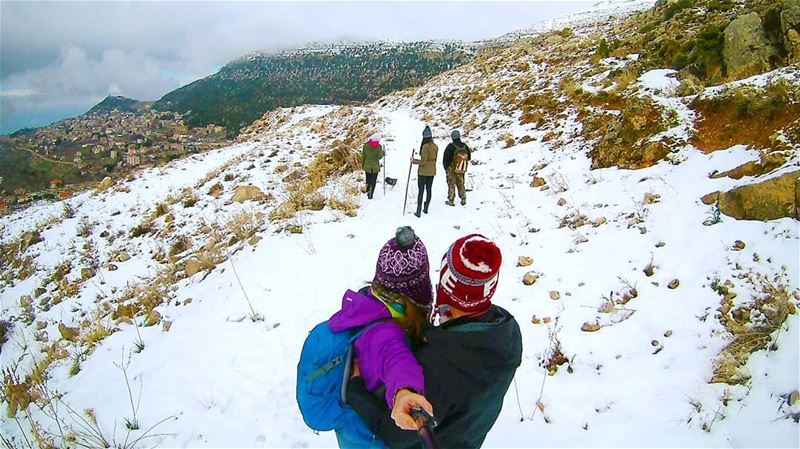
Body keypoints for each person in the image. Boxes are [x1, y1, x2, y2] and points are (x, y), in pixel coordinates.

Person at [346, 234, 523, 449]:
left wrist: (355, 391)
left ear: (445, 292)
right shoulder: (507, 332)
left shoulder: (439, 365)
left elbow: (395, 433)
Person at [328, 226, 434, 448]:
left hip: (353, 429)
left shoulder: (369, 303)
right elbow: (394, 358)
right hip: (368, 438)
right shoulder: (385, 332)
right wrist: (405, 391)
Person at [410, 126, 438, 218]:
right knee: (429, 189)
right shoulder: (435, 146)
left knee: (421, 191)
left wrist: (413, 160)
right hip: (432, 171)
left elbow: (423, 161)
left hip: (423, 172)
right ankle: (426, 208)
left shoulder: (425, 147)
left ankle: (418, 210)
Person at [442, 130, 471, 206]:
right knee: (461, 183)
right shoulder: (465, 146)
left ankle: (451, 200)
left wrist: (446, 168)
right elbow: (469, 157)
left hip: (451, 169)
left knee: (451, 184)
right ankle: (463, 197)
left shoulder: (450, 146)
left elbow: (446, 159)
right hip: (461, 168)